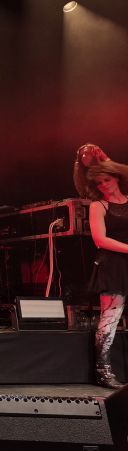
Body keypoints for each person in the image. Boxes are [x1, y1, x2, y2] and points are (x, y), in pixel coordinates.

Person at [81, 160, 128, 388]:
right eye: (99, 183)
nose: (104, 185)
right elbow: (100, 240)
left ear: (117, 178)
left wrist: (105, 159)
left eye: (107, 179)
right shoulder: (98, 206)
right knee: (110, 318)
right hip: (112, 264)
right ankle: (103, 371)